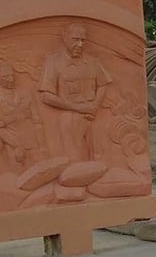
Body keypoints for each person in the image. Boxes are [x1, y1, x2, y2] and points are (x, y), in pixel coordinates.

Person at [38, 23, 112, 162]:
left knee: (97, 157)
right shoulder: (53, 62)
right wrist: (78, 108)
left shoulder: (92, 62)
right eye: (75, 39)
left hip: (93, 116)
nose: (79, 44)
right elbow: (46, 96)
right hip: (71, 117)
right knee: (74, 158)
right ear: (64, 38)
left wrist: (94, 106)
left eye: (83, 40)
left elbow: (103, 84)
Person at [0, 63, 31, 171]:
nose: (11, 79)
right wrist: (16, 145)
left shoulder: (22, 93)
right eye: (6, 77)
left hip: (26, 134)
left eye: (12, 75)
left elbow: (28, 113)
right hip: (10, 138)